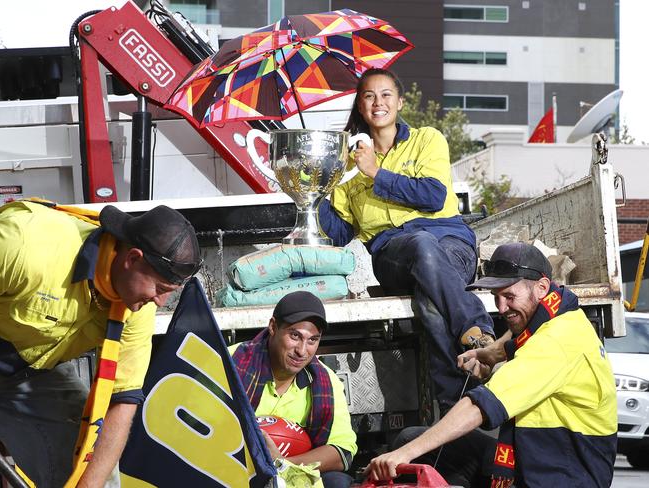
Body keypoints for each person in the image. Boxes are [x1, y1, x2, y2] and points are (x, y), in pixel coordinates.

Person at [366, 242, 617, 487]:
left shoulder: (555, 343)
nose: (501, 307)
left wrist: (403, 455)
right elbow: (517, 338)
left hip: (561, 476)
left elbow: (480, 406)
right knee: (414, 437)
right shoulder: (559, 311)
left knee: (414, 445)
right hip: (537, 459)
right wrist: (489, 353)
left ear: (541, 287)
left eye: (509, 296)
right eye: (496, 297)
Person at [319, 67, 495, 414]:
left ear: (399, 102)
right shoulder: (348, 165)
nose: (378, 102)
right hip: (392, 254)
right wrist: (318, 187)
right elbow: (339, 234)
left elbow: (432, 195)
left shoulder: (427, 139)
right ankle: (476, 333)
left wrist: (376, 172)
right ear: (360, 105)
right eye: (369, 95)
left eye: (386, 94)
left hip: (450, 241)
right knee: (420, 247)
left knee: (429, 300)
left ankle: (452, 405)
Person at [0, 200, 201, 487]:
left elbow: (122, 402)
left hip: (31, 375)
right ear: (132, 259)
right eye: (160, 289)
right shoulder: (25, 245)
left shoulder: (138, 307)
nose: (160, 301)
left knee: (99, 475)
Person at [229, 291, 357, 488]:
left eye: (312, 340)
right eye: (295, 336)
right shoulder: (230, 363)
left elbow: (342, 451)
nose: (302, 350)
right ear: (273, 327)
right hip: (231, 469)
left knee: (338, 482)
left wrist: (280, 464)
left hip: (292, 476)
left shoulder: (325, 381)